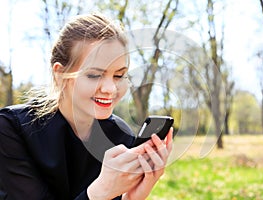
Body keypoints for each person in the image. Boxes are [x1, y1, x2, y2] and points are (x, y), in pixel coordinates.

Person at [0, 13, 173, 200]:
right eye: (94, 75)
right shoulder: (11, 129)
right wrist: (100, 192)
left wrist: (131, 198)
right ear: (59, 74)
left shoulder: (120, 136)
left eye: (119, 75)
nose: (110, 89)